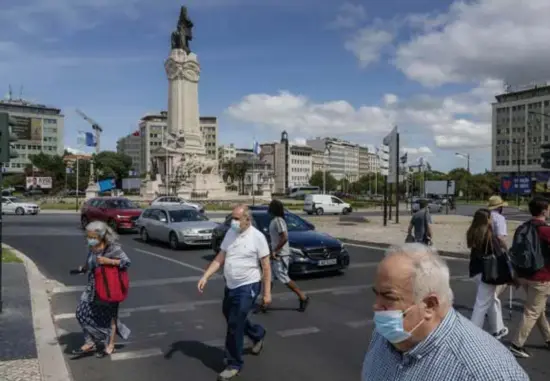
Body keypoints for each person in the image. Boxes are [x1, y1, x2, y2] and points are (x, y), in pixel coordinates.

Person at [362, 243, 529, 381]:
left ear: (429, 305)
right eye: (376, 294)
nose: (376, 307)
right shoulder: (384, 335)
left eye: (388, 297)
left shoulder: (486, 373)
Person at [198, 204, 271, 381]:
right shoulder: (230, 234)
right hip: (231, 285)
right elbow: (220, 258)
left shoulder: (257, 237)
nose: (233, 222)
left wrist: (267, 293)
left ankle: (234, 364)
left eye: (237, 219)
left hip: (249, 286)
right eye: (232, 218)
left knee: (234, 323)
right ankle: (257, 334)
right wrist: (206, 276)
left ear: (247, 220)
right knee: (231, 315)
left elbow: (266, 267)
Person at [72, 221, 131, 359]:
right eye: (88, 236)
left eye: (92, 237)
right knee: (81, 313)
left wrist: (108, 261)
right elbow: (89, 263)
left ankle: (110, 345)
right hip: (92, 288)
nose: (89, 239)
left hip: (109, 288)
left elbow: (127, 262)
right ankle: (90, 341)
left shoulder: (113, 249)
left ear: (102, 236)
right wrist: (83, 269)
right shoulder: (91, 249)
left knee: (109, 317)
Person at [509, 197, 550, 358]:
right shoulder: (545, 230)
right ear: (544, 210)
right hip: (541, 276)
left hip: (525, 274)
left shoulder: (523, 227)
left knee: (538, 310)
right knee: (533, 311)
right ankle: (517, 344)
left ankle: (548, 338)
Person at [466, 209, 508, 339]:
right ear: (487, 219)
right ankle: (474, 332)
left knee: (491, 300)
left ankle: (498, 328)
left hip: (476, 270)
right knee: (482, 303)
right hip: (488, 272)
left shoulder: (472, 232)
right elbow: (498, 254)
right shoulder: (489, 235)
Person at [266, 199, 309, 312]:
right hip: (275, 254)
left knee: (283, 277)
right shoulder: (275, 220)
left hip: (280, 255)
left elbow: (284, 237)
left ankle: (302, 296)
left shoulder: (279, 221)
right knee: (268, 278)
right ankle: (265, 301)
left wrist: (275, 251)